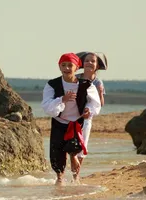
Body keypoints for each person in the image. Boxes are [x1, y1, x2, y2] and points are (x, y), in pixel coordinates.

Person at [41, 53, 102, 185]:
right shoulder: (52, 84)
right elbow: (46, 106)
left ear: (76, 67)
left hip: (78, 122)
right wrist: (62, 99)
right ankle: (60, 178)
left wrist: (88, 110)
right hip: (59, 121)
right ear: (59, 66)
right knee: (57, 152)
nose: (67, 68)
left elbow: (95, 103)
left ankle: (76, 177)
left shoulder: (86, 85)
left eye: (70, 65)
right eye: (63, 65)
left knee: (78, 149)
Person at [74, 51, 108, 163]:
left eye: (92, 61)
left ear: (97, 66)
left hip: (87, 117)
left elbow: (100, 104)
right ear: (82, 64)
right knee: (68, 144)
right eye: (87, 60)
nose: (89, 62)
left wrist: (100, 92)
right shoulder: (76, 78)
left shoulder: (98, 82)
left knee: (82, 145)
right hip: (72, 114)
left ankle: (76, 176)